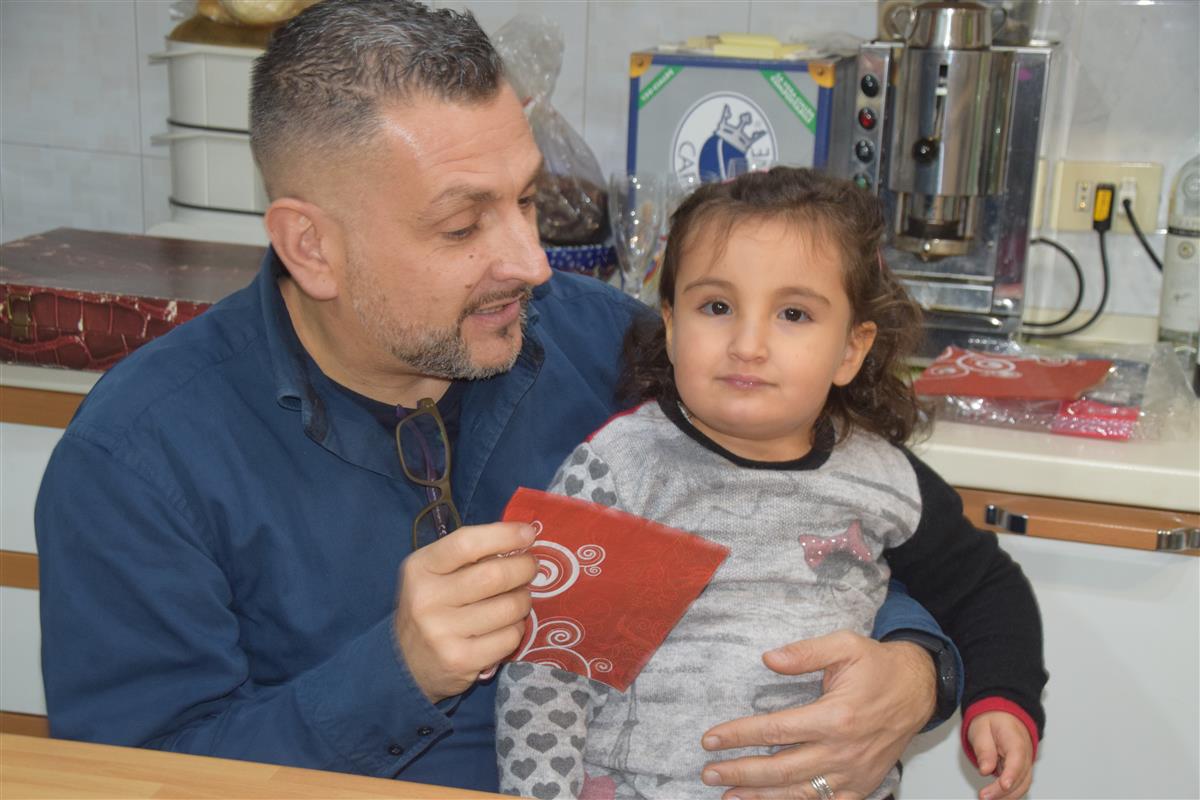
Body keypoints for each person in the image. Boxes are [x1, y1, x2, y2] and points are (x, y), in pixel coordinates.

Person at [37, 2, 958, 796]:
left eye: (526, 200)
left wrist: (914, 672)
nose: (529, 261)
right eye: (462, 224)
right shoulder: (141, 459)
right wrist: (394, 673)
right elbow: (134, 778)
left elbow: (828, 515)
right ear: (311, 247)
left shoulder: (610, 348)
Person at [496, 168, 1047, 800]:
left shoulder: (886, 477)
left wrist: (1002, 698)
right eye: (717, 307)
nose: (748, 344)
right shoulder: (619, 470)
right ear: (671, 326)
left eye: (793, 313)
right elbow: (548, 676)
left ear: (851, 349)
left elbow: (985, 587)